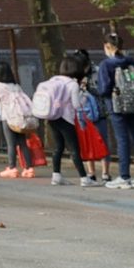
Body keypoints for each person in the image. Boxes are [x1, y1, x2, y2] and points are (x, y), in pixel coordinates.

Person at [95, 36, 134, 189]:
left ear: (107, 46)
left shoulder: (106, 64)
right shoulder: (132, 62)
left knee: (122, 139)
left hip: (116, 105)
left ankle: (124, 176)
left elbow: (104, 88)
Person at [35, 54, 89, 185]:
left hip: (52, 116)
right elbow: (76, 105)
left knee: (58, 147)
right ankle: (84, 178)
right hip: (66, 119)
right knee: (74, 149)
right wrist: (84, 95)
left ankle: (56, 175)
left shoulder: (53, 80)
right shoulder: (73, 84)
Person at [0, 62, 42, 178]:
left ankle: (12, 168)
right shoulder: (16, 86)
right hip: (21, 119)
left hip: (7, 118)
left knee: (11, 144)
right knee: (23, 143)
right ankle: (29, 168)